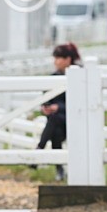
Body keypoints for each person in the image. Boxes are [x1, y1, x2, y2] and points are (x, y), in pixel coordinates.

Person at [34, 42, 81, 182]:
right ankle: (57, 168)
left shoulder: (79, 75)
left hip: (74, 119)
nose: (56, 61)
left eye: (59, 58)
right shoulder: (53, 77)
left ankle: (39, 152)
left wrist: (58, 108)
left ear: (68, 59)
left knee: (54, 122)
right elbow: (46, 98)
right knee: (55, 128)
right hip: (58, 122)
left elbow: (79, 103)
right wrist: (46, 108)